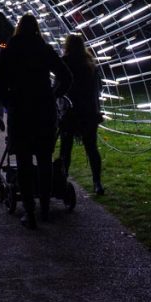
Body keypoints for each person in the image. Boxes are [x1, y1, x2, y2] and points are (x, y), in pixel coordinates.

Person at [0, 15, 72, 228]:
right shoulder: (44, 49)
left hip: (21, 112)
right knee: (45, 160)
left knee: (23, 162)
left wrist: (10, 102)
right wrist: (54, 94)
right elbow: (66, 76)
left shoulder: (10, 51)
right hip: (43, 111)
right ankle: (45, 208)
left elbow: (0, 84)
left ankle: (30, 212)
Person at [60, 35, 104, 196]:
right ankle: (97, 182)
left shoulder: (65, 62)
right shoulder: (90, 64)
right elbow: (98, 88)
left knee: (66, 148)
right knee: (91, 147)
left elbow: (59, 85)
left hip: (70, 111)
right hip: (89, 112)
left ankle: (62, 179)